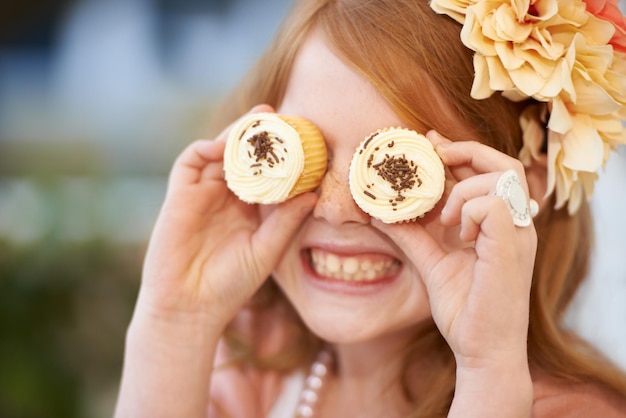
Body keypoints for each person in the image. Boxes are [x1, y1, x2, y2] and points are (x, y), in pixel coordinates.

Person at [114, 0, 626, 417]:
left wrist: (488, 372)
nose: (338, 210)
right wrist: (175, 321)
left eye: (395, 168)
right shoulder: (244, 371)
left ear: (517, 191)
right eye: (305, 155)